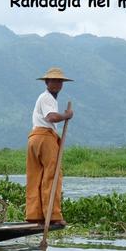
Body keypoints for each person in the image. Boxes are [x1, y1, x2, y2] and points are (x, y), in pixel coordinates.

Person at [26, 67, 74, 226]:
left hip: (34, 138)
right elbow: (51, 117)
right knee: (52, 175)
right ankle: (53, 216)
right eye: (54, 81)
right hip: (44, 137)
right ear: (47, 82)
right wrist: (67, 115)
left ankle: (35, 215)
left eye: (59, 81)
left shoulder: (47, 98)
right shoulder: (47, 98)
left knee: (37, 176)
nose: (57, 84)